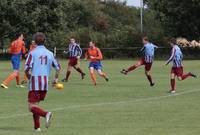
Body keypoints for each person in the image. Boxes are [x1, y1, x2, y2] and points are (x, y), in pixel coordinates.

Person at [24, 32, 60, 131]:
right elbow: (58, 68)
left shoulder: (32, 53)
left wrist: (28, 76)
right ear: (45, 41)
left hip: (35, 82)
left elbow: (26, 68)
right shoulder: (50, 53)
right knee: (36, 105)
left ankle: (46, 114)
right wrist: (56, 79)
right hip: (44, 84)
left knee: (31, 107)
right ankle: (37, 128)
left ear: (35, 42)